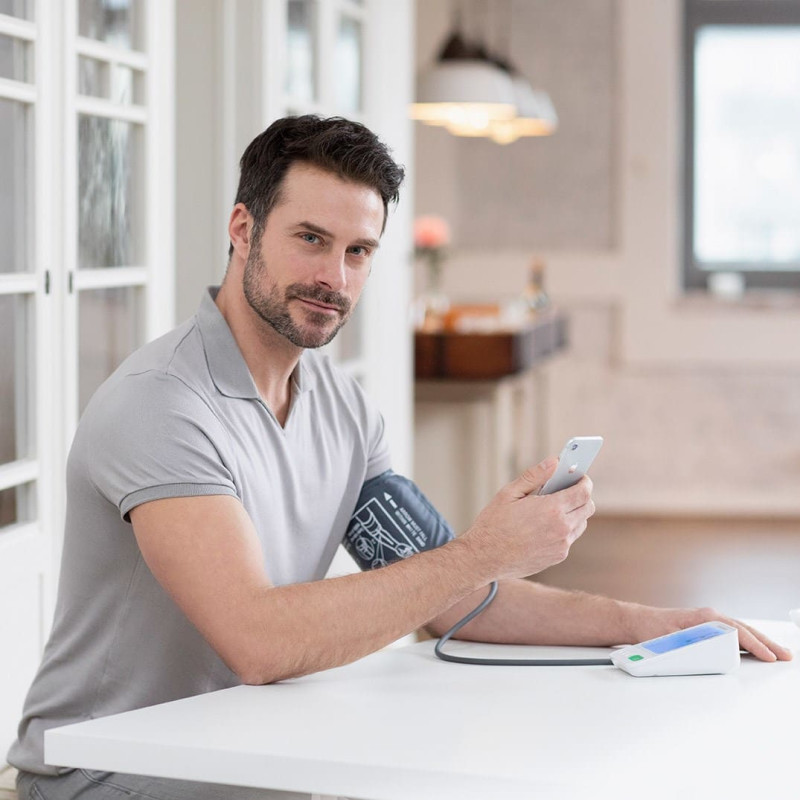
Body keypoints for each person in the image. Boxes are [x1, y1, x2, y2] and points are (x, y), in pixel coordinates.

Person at [9, 115, 791, 800]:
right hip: (106, 779)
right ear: (242, 229)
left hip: (249, 767)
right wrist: (482, 551)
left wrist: (655, 625)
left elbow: (458, 600)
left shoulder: (343, 409)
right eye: (311, 240)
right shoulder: (163, 404)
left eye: (359, 251)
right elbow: (259, 642)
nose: (334, 277)